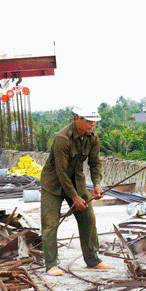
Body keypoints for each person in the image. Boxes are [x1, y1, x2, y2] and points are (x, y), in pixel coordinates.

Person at [39, 106, 112, 276]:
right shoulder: (62, 138)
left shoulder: (92, 137)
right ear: (77, 118)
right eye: (88, 121)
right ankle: (51, 264)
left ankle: (93, 260)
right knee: (50, 223)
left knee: (88, 218)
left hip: (77, 181)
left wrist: (97, 184)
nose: (92, 124)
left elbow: (95, 163)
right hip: (54, 184)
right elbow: (61, 172)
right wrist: (74, 197)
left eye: (94, 121)